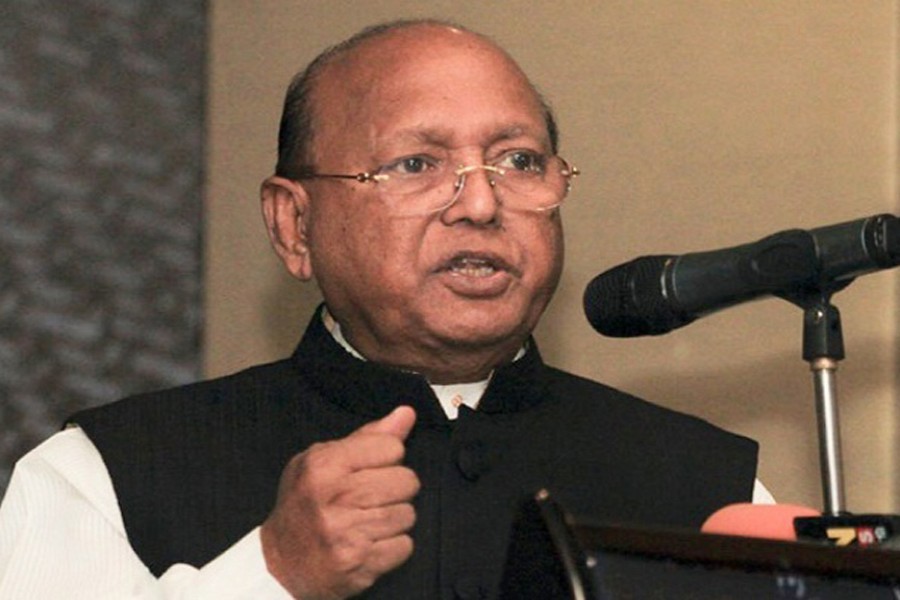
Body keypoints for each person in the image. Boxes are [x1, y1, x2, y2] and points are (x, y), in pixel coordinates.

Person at [0, 19, 771, 600]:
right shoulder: (107, 473)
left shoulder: (709, 489)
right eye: (416, 163)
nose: (480, 203)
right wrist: (271, 572)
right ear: (294, 226)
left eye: (518, 161)